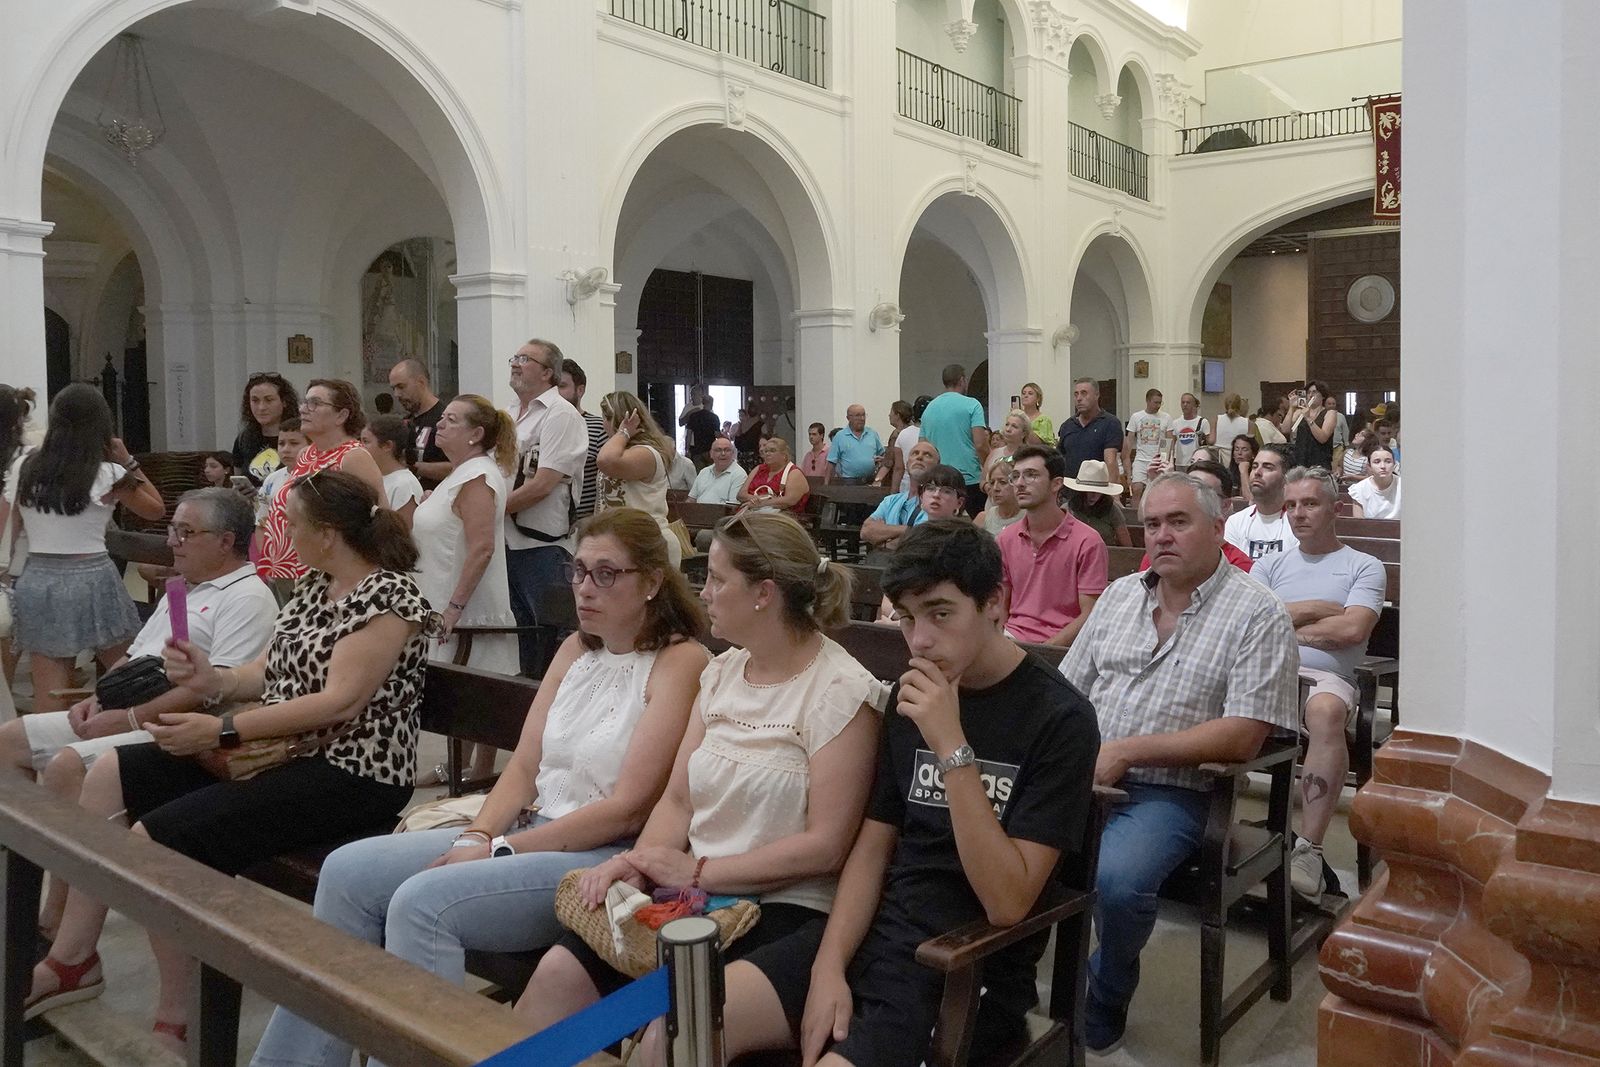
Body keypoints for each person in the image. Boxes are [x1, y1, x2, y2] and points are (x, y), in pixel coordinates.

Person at [250, 507, 709, 1067]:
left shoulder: (680, 661)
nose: (585, 589)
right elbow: (522, 769)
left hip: (597, 860)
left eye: (606, 574)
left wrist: (500, 849)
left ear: (654, 582)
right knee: (348, 872)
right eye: (579, 571)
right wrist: (478, 834)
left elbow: (627, 808)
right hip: (528, 828)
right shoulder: (575, 650)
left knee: (423, 905)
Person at [25, 471, 433, 1049]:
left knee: (160, 840)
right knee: (111, 770)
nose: (278, 530)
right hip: (282, 751)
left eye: (290, 522)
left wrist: (219, 731)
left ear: (330, 531)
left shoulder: (391, 597)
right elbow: (264, 671)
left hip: (350, 771)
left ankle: (178, 1017)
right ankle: (71, 957)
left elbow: (340, 701)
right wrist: (211, 677)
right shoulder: (319, 585)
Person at [516, 511, 886, 1064]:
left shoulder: (841, 692)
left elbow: (826, 844)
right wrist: (638, 863)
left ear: (763, 593)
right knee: (556, 978)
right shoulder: (721, 672)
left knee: (674, 1030)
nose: (702, 592)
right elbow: (678, 800)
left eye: (716, 579)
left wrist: (696, 871)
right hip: (694, 903)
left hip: (786, 916)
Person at [802, 520, 1099, 1067]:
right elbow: (875, 846)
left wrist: (951, 745)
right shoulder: (908, 698)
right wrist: (828, 966)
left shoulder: (1060, 719)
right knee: (693, 1020)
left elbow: (1008, 902)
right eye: (908, 618)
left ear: (995, 604)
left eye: (940, 614)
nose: (920, 641)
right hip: (878, 937)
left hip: (964, 963)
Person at [1060, 471, 1299, 1053]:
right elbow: (1067, 694)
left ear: (1219, 529)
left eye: (1179, 522)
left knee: (1116, 882)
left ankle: (1107, 987)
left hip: (1172, 792)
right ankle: (1005, 979)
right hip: (1081, 776)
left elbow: (1245, 733)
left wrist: (1127, 752)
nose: (1161, 535)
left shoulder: (1258, 613)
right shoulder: (1120, 597)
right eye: (1152, 524)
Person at [0, 489, 276, 932]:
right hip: (128, 706)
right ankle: (30, 879)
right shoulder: (183, 586)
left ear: (226, 541)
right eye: (173, 530)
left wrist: (128, 718)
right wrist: (101, 695)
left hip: (173, 725)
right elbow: (136, 654)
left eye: (186, 532)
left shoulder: (247, 597)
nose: (173, 542)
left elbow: (208, 692)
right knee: (12, 739)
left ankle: (58, 918)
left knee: (68, 766)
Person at [1256, 470, 1385, 906]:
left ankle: (1309, 850)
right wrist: (1315, 609)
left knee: (1327, 711)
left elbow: (1352, 629)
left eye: (1309, 503)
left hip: (1327, 679)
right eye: (1290, 505)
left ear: (1336, 508)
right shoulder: (1271, 564)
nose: (1297, 514)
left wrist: (1289, 624)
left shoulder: (1362, 565)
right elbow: (1251, 623)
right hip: (1267, 671)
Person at [0, 385, 166, 711]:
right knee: (129, 677)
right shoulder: (109, 473)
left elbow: (10, 526)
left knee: (49, 695)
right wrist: (128, 460)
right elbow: (155, 509)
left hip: (39, 576)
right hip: (93, 575)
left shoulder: (24, 467)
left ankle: (48, 757)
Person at [504, 340, 588, 677]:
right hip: (507, 542)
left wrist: (489, 511)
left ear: (547, 372)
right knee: (518, 632)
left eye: (525, 359)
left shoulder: (560, 414)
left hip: (541, 545)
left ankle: (547, 708)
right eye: (515, 356)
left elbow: (544, 483)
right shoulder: (509, 414)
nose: (515, 363)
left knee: (547, 636)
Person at [257, 379, 385, 584]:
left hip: (325, 572)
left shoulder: (352, 457)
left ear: (341, 415)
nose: (303, 409)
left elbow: (378, 518)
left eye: (314, 403)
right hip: (286, 568)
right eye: (304, 402)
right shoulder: (306, 454)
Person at [996, 447, 1107, 647]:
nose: (1020, 483)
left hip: (1064, 646)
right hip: (1011, 640)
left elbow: (1089, 614)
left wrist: (1045, 653)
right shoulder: (1005, 539)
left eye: (1031, 475)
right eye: (1015, 476)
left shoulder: (1087, 541)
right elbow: (1001, 605)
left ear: (1056, 484)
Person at [596, 391, 680, 569]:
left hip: (646, 541)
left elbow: (605, 461)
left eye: (605, 418)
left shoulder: (646, 453)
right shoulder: (619, 449)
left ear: (618, 419)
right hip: (621, 540)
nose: (603, 424)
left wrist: (623, 432)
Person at [1136, 460, 1254, 573]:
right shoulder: (1162, 554)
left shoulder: (1238, 565)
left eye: (1203, 493)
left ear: (1225, 505)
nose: (1162, 537)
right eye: (1153, 525)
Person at [0, 384, 38, 692]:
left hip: (13, 564)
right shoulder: (28, 457)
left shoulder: (25, 460)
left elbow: (10, 515)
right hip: (17, 562)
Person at [919, 365, 989, 516]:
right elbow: (980, 444)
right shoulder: (972, 405)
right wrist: (987, 467)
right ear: (962, 380)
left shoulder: (930, 408)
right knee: (977, 524)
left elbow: (923, 446)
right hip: (968, 477)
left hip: (939, 478)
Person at [860, 441, 940, 557]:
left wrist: (883, 536)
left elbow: (924, 541)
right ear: (907, 464)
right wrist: (910, 530)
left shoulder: (937, 502)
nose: (919, 457)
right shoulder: (891, 501)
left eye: (927, 455)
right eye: (915, 453)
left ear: (937, 466)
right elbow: (866, 531)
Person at [1224, 443, 1297, 561]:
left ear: (1286, 478)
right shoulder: (1235, 522)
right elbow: (1231, 570)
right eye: (1254, 466)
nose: (1257, 472)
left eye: (1267, 467)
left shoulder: (1298, 522)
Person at [556, 358, 608, 521]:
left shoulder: (599, 427)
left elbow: (608, 479)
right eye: (553, 387)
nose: (555, 393)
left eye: (562, 386)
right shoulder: (542, 425)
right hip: (547, 520)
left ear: (580, 390)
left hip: (584, 520)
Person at [389, 358, 451, 489]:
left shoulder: (445, 419)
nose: (396, 394)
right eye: (393, 388)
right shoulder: (405, 422)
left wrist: (412, 467)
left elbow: (457, 467)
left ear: (421, 382)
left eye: (401, 386)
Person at [231, 372, 299, 485]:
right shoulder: (243, 439)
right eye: (255, 400)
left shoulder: (302, 436)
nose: (261, 407)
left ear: (284, 402)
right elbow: (237, 481)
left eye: (269, 400)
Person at [1059, 377, 1124, 493]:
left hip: (1096, 493)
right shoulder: (1067, 425)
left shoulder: (1110, 423)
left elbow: (1110, 461)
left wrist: (1112, 495)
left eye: (1084, 393)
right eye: (1076, 394)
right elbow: (1059, 459)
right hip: (1069, 492)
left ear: (1097, 395)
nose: (1079, 398)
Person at [362, 414, 424, 528]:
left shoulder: (404, 484)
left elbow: (403, 535)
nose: (360, 447)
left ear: (387, 446)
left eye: (366, 442)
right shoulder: (373, 478)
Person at [1064, 460, 1131, 548]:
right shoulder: (1067, 510)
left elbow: (1127, 546)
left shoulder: (1111, 509)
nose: (1094, 495)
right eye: (1090, 491)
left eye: (1098, 492)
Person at [738, 436, 811, 513]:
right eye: (766, 451)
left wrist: (761, 503)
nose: (768, 454)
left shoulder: (794, 473)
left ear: (784, 455)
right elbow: (741, 494)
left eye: (772, 451)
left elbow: (789, 500)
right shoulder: (758, 469)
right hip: (752, 512)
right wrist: (756, 499)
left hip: (783, 519)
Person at [1123, 389, 1171, 505]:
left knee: (1157, 493)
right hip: (1141, 459)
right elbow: (1128, 444)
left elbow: (1168, 441)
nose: (1158, 406)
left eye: (1160, 403)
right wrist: (1128, 472)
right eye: (1155, 402)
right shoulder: (1137, 417)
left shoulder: (1166, 418)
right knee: (1137, 489)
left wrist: (1163, 460)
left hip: (1157, 460)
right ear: (1148, 401)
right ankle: (1136, 518)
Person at [255, 419, 305, 524]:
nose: (285, 449)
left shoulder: (317, 478)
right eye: (281, 444)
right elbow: (261, 523)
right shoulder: (271, 480)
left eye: (294, 443)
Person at [825, 405, 884, 485]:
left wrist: (881, 460)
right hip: (849, 482)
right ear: (848, 418)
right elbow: (831, 462)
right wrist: (826, 485)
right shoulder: (840, 436)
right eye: (858, 415)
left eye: (863, 415)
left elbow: (883, 454)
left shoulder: (872, 434)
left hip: (871, 481)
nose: (862, 418)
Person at [1287, 381, 1336, 470]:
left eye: (1314, 392)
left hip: (1320, 462)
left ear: (1323, 396)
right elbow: (1285, 430)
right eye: (1308, 392)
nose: (1310, 395)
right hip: (1300, 461)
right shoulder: (1299, 413)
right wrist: (1291, 407)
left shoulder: (1330, 413)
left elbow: (1323, 438)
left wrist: (1309, 418)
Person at [689, 436, 747, 506]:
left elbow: (733, 507)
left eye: (727, 450)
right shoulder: (704, 472)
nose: (723, 453)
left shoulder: (739, 474)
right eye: (718, 450)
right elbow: (691, 499)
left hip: (722, 515)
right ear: (711, 454)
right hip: (697, 514)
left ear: (733, 453)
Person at [1348, 444, 1401, 518]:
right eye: (1377, 462)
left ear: (1394, 464)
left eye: (1388, 461)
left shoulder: (1403, 485)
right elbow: (1358, 525)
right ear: (1369, 466)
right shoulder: (1359, 489)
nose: (1383, 466)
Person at [973, 461, 1022, 536]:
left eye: (1002, 482)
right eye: (992, 483)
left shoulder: (1029, 518)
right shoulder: (983, 519)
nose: (995, 488)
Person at [1167, 393, 1212, 470]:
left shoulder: (1203, 422)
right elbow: (1172, 444)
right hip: (1180, 463)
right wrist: (1169, 460)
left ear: (1194, 405)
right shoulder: (1175, 423)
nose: (1185, 405)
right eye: (1183, 402)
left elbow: (1209, 444)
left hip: (1196, 463)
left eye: (1188, 402)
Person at [879, 401, 913, 488]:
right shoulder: (914, 431)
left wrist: (877, 480)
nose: (889, 415)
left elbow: (889, 463)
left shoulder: (896, 435)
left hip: (900, 480)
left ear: (897, 415)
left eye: (891, 412)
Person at [1018, 381, 1056, 446]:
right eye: (1023, 393)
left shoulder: (1044, 420)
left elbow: (1038, 443)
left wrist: (1023, 419)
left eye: (1030, 393)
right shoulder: (1016, 416)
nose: (1026, 396)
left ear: (1038, 398)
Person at [1228, 434, 1258, 504]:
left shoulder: (1258, 474)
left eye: (1244, 449)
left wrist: (1244, 472)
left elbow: (1250, 500)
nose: (1239, 453)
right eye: (1236, 449)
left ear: (1253, 454)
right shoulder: (1226, 474)